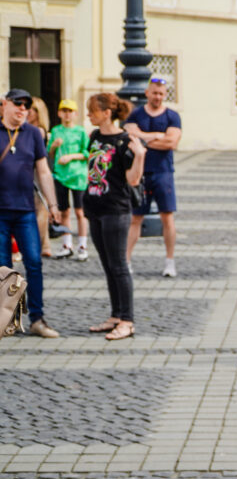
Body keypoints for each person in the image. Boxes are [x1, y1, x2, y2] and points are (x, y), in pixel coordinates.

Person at [83, 93, 145, 341]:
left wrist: (140, 155)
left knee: (119, 265)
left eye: (92, 111)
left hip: (116, 210)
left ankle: (128, 321)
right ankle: (116, 315)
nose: (88, 115)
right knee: (108, 265)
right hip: (95, 207)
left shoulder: (124, 141)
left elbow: (133, 180)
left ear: (106, 113)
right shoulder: (95, 137)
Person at [0, 89, 60, 338]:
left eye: (27, 105)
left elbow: (43, 171)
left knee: (34, 264)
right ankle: (6, 321)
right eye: (18, 104)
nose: (23, 109)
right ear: (4, 105)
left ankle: (37, 318)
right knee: (4, 268)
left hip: (26, 210)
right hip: (0, 212)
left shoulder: (34, 134)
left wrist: (53, 205)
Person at [124, 77, 182, 278]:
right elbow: (130, 137)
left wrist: (143, 138)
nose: (157, 96)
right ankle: (126, 261)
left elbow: (172, 142)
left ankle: (170, 262)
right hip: (140, 173)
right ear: (147, 93)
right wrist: (157, 135)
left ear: (164, 95)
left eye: (161, 93)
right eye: (154, 92)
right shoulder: (135, 114)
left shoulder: (172, 116)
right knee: (135, 218)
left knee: (167, 217)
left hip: (164, 172)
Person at [48, 99, 90, 261]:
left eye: (70, 111)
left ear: (75, 114)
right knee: (64, 211)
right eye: (64, 111)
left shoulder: (80, 132)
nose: (67, 114)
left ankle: (82, 245)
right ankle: (67, 245)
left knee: (80, 211)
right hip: (60, 175)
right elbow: (49, 154)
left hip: (78, 176)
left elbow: (87, 153)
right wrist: (54, 146)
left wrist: (71, 157)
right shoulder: (56, 130)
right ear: (59, 113)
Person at [27, 97, 53, 257]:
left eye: (32, 109)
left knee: (40, 209)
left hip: (37, 172)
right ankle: (45, 246)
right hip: (33, 171)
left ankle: (35, 244)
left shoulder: (38, 130)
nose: (28, 112)